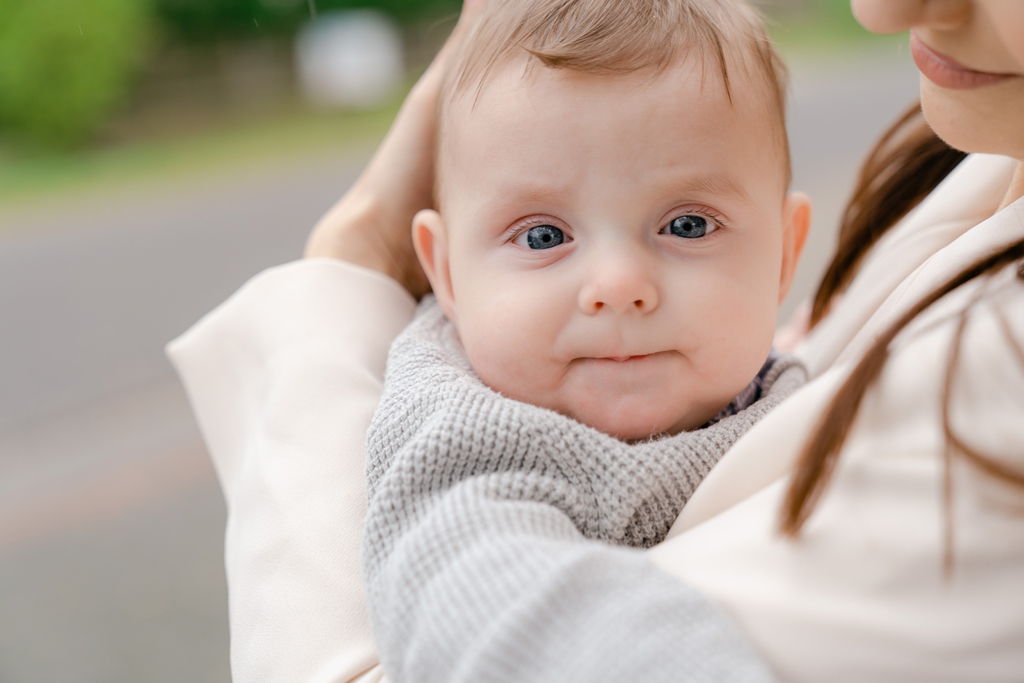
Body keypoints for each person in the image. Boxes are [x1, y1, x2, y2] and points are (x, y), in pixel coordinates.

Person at [167, 0, 1024, 680]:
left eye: (688, 223)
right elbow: (489, 603)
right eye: (542, 237)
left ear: (785, 256)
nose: (617, 284)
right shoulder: (475, 440)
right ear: (448, 275)